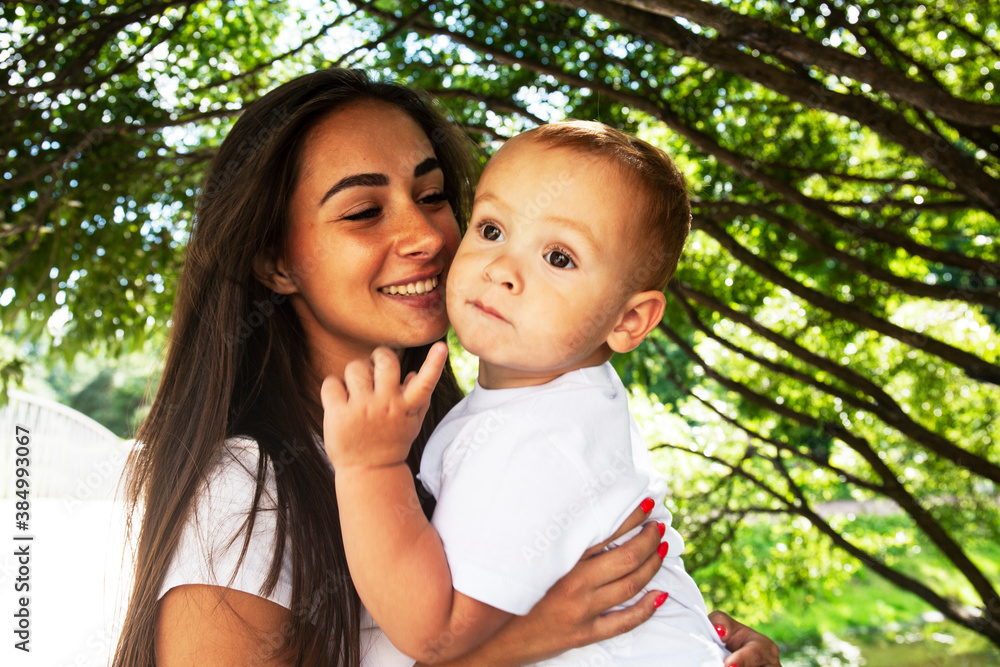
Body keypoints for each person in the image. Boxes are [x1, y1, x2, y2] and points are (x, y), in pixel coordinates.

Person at [113, 67, 782, 667]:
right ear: (276, 262)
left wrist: (695, 637)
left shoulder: (467, 427)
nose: (428, 236)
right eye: (364, 211)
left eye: (432, 196)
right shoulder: (247, 484)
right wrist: (525, 639)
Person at [322, 122, 731, 666]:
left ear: (629, 320)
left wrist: (370, 466)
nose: (501, 270)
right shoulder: (556, 406)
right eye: (492, 230)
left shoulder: (539, 437)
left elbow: (432, 634)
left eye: (558, 257)